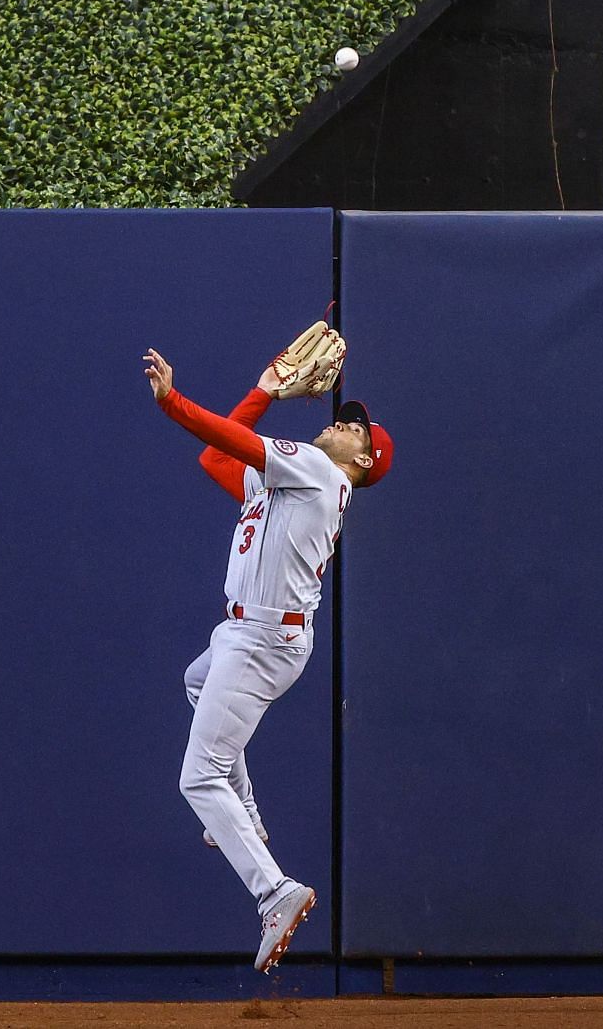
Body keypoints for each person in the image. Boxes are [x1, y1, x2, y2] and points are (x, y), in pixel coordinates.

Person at [141, 342, 394, 974]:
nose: (342, 420)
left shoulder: (319, 471)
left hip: (263, 640)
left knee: (197, 778)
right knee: (197, 684)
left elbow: (223, 435)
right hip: (248, 637)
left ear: (362, 460)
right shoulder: (295, 480)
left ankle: (274, 891)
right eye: (345, 416)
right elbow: (215, 455)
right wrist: (264, 389)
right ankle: (246, 815)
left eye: (355, 428)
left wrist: (174, 401)